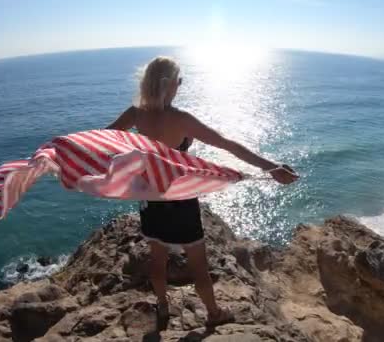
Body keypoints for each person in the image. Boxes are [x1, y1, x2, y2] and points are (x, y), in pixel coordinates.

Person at [105, 56, 298, 329]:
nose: (181, 85)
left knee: (157, 258)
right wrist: (271, 168)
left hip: (151, 198)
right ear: (169, 84)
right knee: (198, 266)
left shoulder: (135, 114)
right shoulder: (181, 119)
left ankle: (162, 307)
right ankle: (213, 313)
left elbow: (105, 138)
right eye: (179, 80)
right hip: (181, 201)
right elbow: (228, 145)